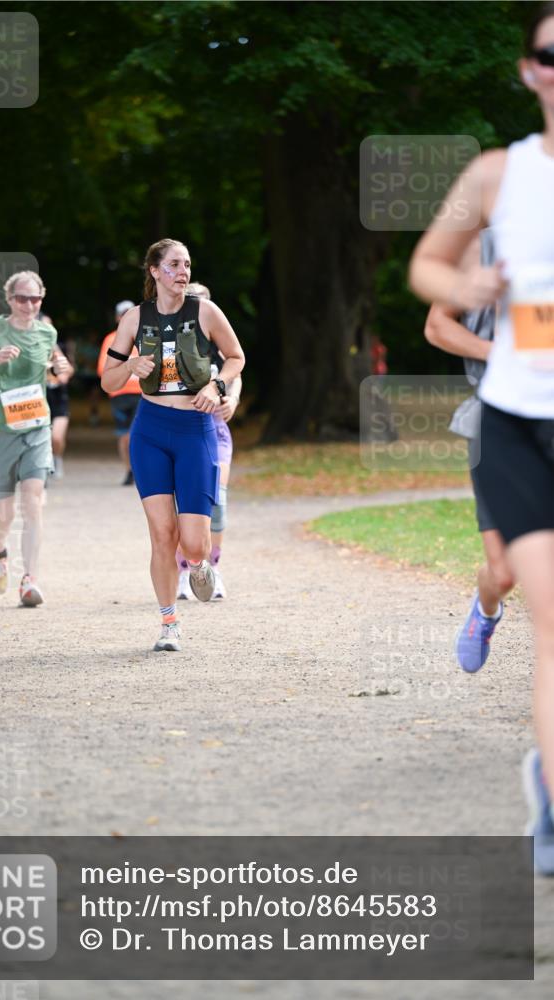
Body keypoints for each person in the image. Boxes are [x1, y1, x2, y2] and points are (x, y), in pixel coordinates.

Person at [409, 2, 554, 875]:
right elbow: (428, 272)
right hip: (512, 422)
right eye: (551, 54)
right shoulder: (497, 173)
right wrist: (478, 289)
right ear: (530, 69)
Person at [101, 239, 245, 652]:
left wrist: (217, 386)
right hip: (150, 430)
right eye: (174, 265)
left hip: (195, 430)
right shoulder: (134, 319)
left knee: (194, 542)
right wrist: (128, 366)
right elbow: (109, 382)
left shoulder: (206, 312)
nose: (182, 272)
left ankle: (200, 565)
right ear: (154, 271)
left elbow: (236, 357)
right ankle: (168, 624)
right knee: (162, 534)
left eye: (186, 265)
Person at [424, 231, 515, 672]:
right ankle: (487, 610)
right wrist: (497, 353)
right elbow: (437, 325)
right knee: (504, 572)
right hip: (498, 420)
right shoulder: (484, 247)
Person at [0, 271, 72, 607]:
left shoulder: (46, 332)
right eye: (22, 298)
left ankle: (30, 580)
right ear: (9, 300)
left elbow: (61, 367)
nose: (29, 305)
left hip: (36, 429)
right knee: (4, 513)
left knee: (33, 502)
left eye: (35, 299)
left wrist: (58, 368)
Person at [176, 282, 242, 600]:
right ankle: (185, 570)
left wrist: (233, 400)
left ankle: (213, 567)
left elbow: (236, 372)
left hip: (215, 430)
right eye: (193, 302)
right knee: (184, 503)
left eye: (204, 302)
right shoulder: (170, 343)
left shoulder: (217, 343)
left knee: (216, 500)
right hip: (181, 431)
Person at [96, 300, 140, 485]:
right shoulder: (110, 339)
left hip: (142, 393)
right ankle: (129, 470)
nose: (125, 316)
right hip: (119, 394)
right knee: (124, 436)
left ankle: (141, 470)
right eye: (122, 313)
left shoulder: (144, 335)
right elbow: (102, 370)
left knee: (139, 434)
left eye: (129, 313)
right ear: (117, 317)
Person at [42, 312, 75, 479]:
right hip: (40, 401)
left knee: (56, 437)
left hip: (59, 400)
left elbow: (69, 369)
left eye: (50, 325)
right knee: (43, 438)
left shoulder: (57, 348)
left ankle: (57, 459)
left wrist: (64, 375)